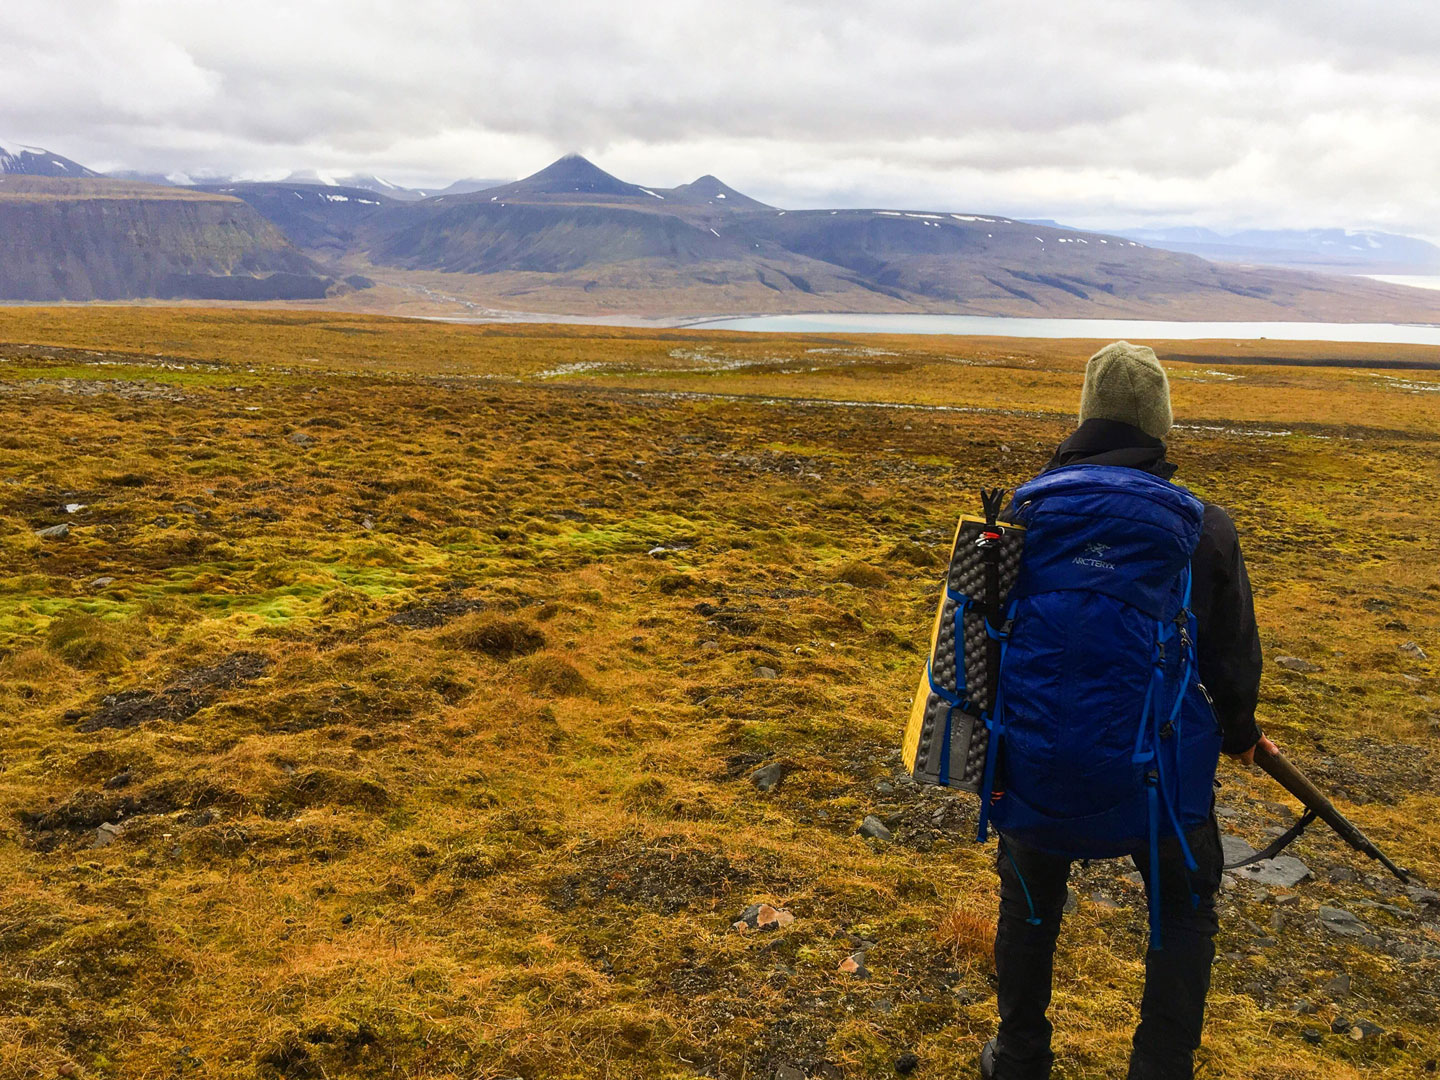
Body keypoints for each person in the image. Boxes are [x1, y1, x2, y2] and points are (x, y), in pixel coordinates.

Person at [979, 342, 1275, 1080]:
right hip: (1159, 777)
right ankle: (1160, 1067)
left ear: (1085, 414)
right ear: (1161, 423)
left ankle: (1018, 1058)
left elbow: (983, 629)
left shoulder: (1021, 510)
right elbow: (1231, 655)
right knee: (1183, 908)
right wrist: (1240, 733)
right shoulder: (1203, 526)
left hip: (1035, 755)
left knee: (1028, 901)